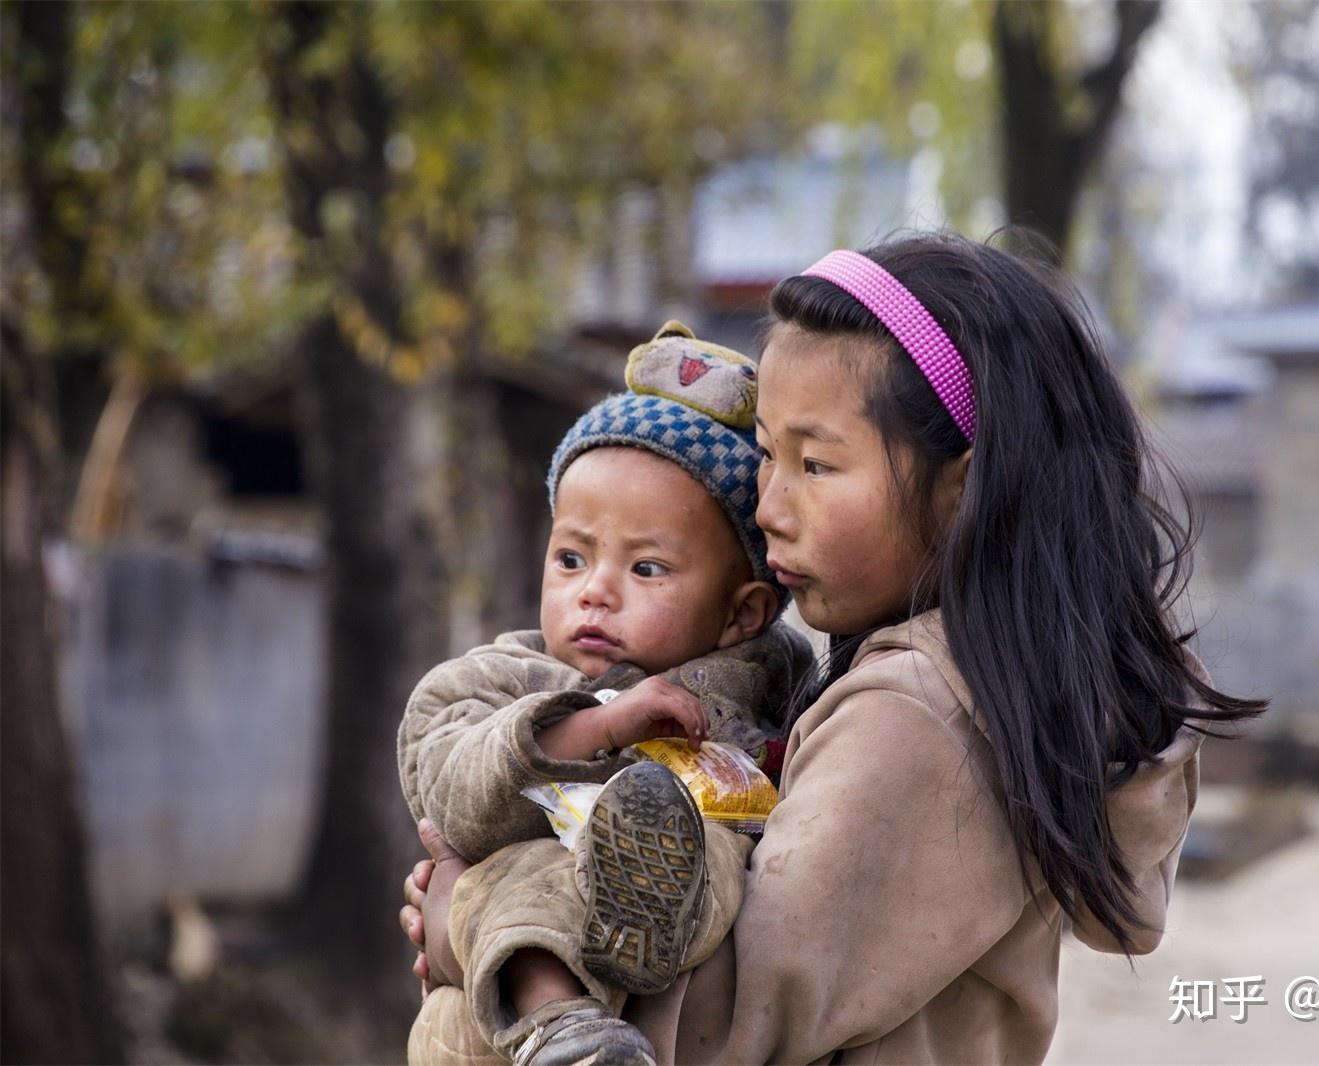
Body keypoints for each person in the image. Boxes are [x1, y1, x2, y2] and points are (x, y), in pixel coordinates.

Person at [403, 234, 1269, 1064]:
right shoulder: (963, 682)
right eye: (768, 457)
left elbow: (717, 1029)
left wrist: (467, 916)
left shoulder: (917, 714)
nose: (771, 508)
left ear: (964, 489)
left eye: (816, 466)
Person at [399, 322, 814, 1065]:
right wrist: (599, 725)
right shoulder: (497, 678)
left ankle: (638, 909)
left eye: (647, 569)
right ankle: (561, 1022)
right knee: (512, 879)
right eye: (570, 557)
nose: (594, 592)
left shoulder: (773, 701)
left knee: (714, 850)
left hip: (678, 962)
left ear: (741, 612)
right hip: (495, 1017)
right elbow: (447, 788)